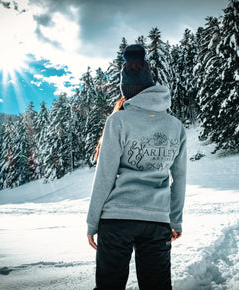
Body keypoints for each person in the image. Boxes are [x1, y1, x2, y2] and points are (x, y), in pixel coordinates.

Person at [86, 44, 187, 290]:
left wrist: (92, 223)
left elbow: (105, 175)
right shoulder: (175, 126)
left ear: (127, 91)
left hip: (116, 219)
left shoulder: (118, 120)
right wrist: (175, 221)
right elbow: (180, 178)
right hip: (156, 221)